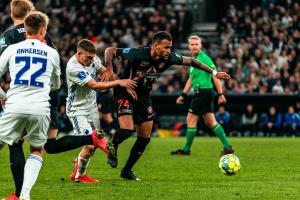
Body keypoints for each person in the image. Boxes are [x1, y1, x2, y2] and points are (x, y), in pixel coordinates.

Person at [101, 31, 231, 180]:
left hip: (143, 96)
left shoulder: (169, 57)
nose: (169, 51)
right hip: (124, 91)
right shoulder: (138, 53)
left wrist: (214, 72)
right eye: (166, 47)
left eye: (170, 47)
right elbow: (109, 51)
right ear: (155, 46)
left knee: (144, 138)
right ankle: (112, 146)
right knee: (127, 129)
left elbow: (193, 61)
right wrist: (109, 69)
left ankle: (126, 171)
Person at [0, 11, 61, 200]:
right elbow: (57, 85)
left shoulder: (12, 49)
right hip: (40, 109)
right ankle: (25, 194)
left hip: (14, 105)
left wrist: (3, 95)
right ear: (42, 31)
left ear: (25, 30)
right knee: (36, 150)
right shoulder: (52, 53)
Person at [65, 39, 136, 182]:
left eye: (93, 57)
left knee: (93, 144)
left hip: (91, 107)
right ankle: (81, 175)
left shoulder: (93, 59)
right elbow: (95, 85)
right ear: (79, 54)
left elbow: (106, 73)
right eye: (89, 57)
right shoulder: (73, 67)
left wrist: (124, 85)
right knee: (90, 144)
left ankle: (78, 169)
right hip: (77, 111)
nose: (92, 61)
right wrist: (119, 83)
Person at [170, 35, 234, 156]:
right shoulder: (193, 60)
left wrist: (221, 94)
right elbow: (191, 79)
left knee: (190, 119)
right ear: (189, 46)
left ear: (201, 46)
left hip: (203, 93)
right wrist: (183, 94)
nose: (194, 46)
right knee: (211, 121)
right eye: (192, 44)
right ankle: (227, 146)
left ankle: (186, 150)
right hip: (204, 93)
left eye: (196, 44)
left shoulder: (204, 59)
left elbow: (216, 75)